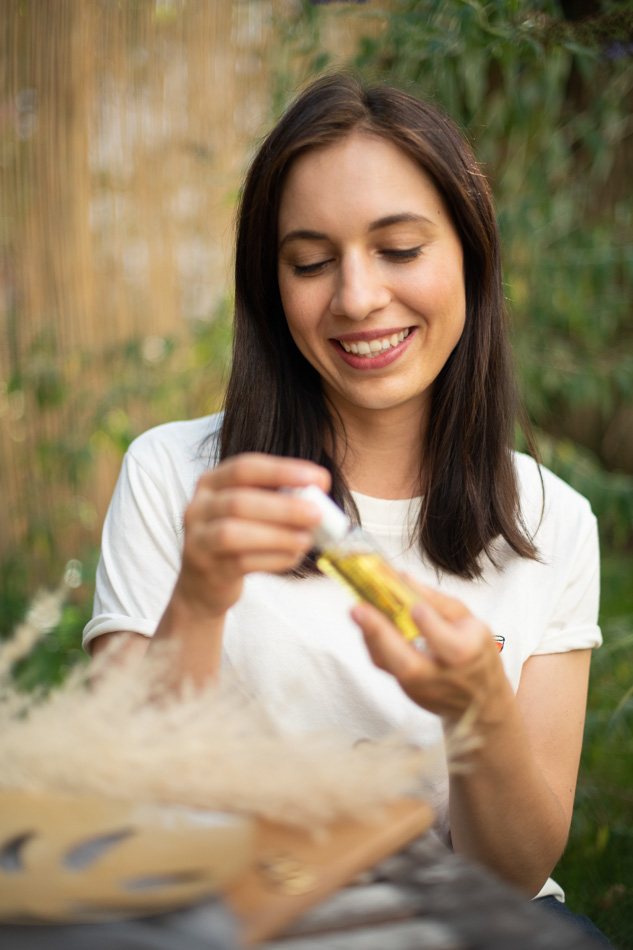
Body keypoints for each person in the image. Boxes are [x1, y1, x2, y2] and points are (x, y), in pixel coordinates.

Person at [84, 73, 608, 941]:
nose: (357, 298)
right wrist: (199, 602)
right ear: (271, 284)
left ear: (471, 259)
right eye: (311, 261)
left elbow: (511, 875)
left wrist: (477, 705)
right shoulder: (175, 476)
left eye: (399, 250)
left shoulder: (553, 523)